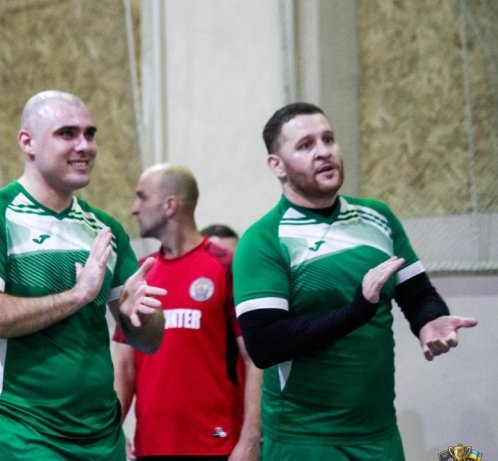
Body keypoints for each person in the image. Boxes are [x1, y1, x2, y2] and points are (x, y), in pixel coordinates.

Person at [233, 102, 479, 460]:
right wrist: (356, 311)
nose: (323, 152)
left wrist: (430, 319)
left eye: (328, 139)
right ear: (277, 165)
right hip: (306, 438)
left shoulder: (378, 217)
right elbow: (265, 344)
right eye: (305, 145)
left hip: (380, 433)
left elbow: (417, 293)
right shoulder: (263, 239)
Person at [0, 90, 167, 460]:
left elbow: (150, 341)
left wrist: (139, 317)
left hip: (102, 435)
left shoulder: (104, 228)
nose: (85, 146)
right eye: (67, 133)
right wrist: (77, 296)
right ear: (27, 142)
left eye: (90, 134)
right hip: (23, 433)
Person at [112, 164, 262, 461]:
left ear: (170, 205)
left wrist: (249, 440)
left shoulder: (226, 266)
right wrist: (112, 430)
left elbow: (255, 360)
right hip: (151, 448)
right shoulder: (140, 274)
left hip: (217, 445)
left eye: (142, 197)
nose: (134, 208)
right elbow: (124, 365)